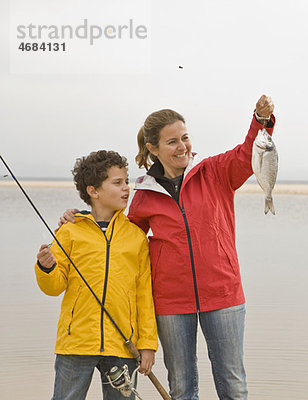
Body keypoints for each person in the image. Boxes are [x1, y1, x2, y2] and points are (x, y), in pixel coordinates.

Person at [60, 95, 276, 400]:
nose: (182, 147)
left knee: (233, 385)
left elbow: (245, 155)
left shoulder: (213, 171)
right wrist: (82, 218)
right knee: (182, 387)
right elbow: (122, 237)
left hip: (223, 293)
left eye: (185, 138)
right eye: (172, 141)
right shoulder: (144, 194)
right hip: (171, 302)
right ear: (153, 149)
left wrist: (261, 120)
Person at [37, 150, 158, 400]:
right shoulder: (69, 231)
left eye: (126, 181)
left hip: (123, 344)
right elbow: (54, 286)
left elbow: (144, 295)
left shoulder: (136, 237)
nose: (126, 188)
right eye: (117, 183)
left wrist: (147, 345)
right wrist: (47, 268)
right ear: (93, 191)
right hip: (76, 342)